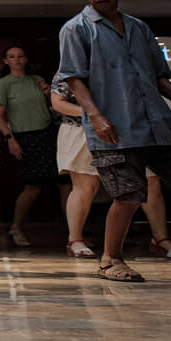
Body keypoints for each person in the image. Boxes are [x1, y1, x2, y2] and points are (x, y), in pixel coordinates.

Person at [57, 0, 171, 284]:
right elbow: (73, 78)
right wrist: (96, 116)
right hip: (115, 129)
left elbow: (157, 73)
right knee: (128, 195)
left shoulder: (139, 28)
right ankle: (110, 259)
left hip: (158, 125)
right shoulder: (76, 29)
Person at [0, 45, 57, 248]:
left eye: (20, 56)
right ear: (6, 61)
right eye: (12, 56)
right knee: (32, 185)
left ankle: (75, 232)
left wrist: (48, 93)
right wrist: (10, 138)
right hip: (25, 136)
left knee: (65, 181)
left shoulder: (36, 80)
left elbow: (54, 106)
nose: (17, 60)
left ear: (26, 59)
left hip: (48, 133)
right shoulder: (3, 84)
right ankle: (16, 227)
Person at [49, 78, 100, 259]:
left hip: (121, 129)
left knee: (141, 183)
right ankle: (75, 239)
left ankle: (159, 237)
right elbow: (58, 103)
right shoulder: (68, 70)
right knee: (85, 187)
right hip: (80, 129)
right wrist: (94, 114)